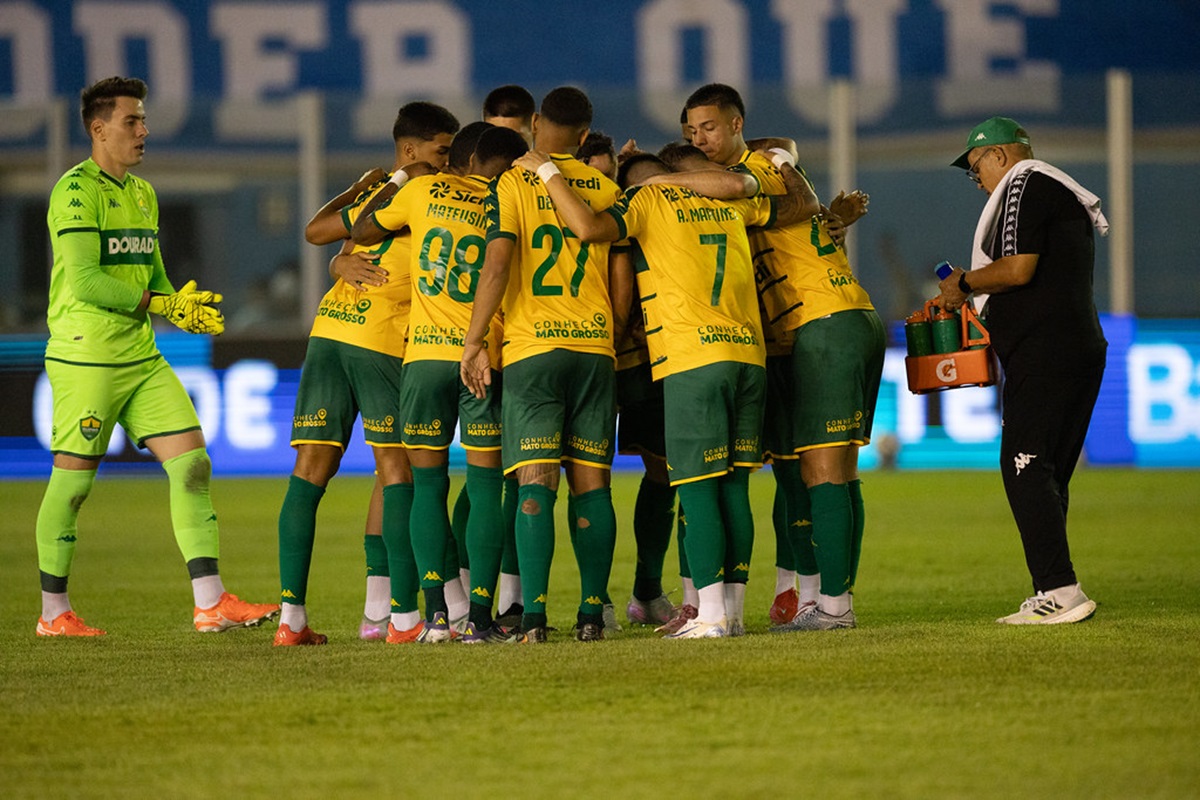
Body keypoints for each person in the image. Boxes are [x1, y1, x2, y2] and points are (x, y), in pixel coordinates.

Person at [518, 149, 817, 637]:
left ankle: (711, 614)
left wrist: (547, 171)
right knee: (734, 488)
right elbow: (789, 202)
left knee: (696, 490)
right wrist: (786, 165)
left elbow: (588, 228)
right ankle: (733, 614)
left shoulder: (646, 202)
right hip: (749, 356)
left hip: (692, 358)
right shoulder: (725, 204)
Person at [35, 76, 279, 636]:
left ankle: (210, 603)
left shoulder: (142, 193)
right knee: (73, 483)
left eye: (143, 120)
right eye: (132, 121)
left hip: (140, 355)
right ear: (99, 130)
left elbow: (154, 274)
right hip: (87, 355)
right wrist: (158, 302)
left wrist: (179, 305)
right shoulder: (74, 191)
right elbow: (87, 281)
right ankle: (53, 613)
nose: (144, 130)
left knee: (192, 463)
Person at [685, 83, 883, 632]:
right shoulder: (774, 164)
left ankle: (834, 608)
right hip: (848, 317)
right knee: (838, 472)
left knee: (820, 472)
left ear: (736, 124)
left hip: (823, 324)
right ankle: (832, 601)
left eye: (709, 127)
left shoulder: (753, 177)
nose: (700, 140)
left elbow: (775, 169)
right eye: (692, 132)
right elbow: (783, 148)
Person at [273, 101, 460, 646]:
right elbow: (322, 234)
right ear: (410, 149)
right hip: (380, 338)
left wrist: (341, 252)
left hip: (330, 330)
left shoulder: (380, 194)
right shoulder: (426, 196)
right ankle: (402, 619)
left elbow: (321, 231)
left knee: (309, 472)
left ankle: (291, 620)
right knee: (397, 472)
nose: (447, 163)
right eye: (441, 151)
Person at [461, 86, 632, 643]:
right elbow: (622, 280)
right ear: (584, 136)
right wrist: (611, 336)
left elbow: (497, 264)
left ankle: (532, 618)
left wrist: (475, 341)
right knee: (592, 486)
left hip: (534, 348)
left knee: (535, 483)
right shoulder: (605, 187)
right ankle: (591, 615)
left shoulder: (514, 182)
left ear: (535, 123)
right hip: (594, 348)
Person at [352, 124, 530, 644]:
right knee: (487, 487)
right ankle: (479, 618)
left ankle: (433, 618)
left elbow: (363, 229)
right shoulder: (509, 202)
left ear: (465, 158)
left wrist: (397, 179)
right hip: (483, 359)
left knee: (427, 486)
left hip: (424, 357)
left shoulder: (422, 191)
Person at [937, 116, 1107, 625]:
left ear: (1000, 156)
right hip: (1074, 347)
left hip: (1046, 352)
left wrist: (964, 283)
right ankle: (1051, 590)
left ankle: (1061, 590)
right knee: (1047, 473)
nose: (978, 182)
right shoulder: (1056, 191)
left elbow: (1018, 269)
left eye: (976, 170)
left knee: (1025, 467)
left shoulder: (1023, 183)